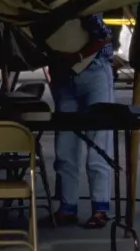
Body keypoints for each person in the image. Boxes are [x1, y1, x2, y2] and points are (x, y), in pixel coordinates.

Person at [45, 14, 115, 229]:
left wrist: (79, 55)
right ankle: (68, 207)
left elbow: (105, 36)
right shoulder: (43, 14)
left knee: (99, 144)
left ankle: (100, 208)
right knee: (65, 146)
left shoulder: (81, 6)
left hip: (93, 69)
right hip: (64, 75)